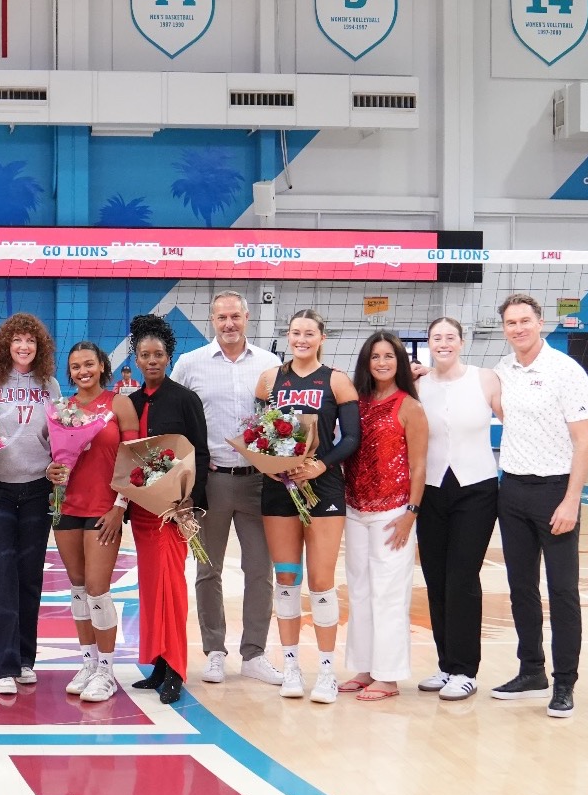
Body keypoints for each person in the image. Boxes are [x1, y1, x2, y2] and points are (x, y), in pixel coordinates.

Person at [171, 291, 282, 685]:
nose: (229, 323)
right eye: (222, 317)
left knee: (260, 570)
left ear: (247, 317)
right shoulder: (190, 364)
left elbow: (282, 418)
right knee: (208, 569)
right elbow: (172, 412)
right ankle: (214, 651)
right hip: (211, 482)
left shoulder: (270, 364)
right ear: (212, 320)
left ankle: (254, 654)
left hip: (259, 481)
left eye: (235, 316)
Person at [491, 294, 588, 718]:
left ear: (540, 322)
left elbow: (584, 442)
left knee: (563, 590)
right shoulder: (502, 370)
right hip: (512, 490)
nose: (518, 328)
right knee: (521, 587)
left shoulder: (566, 371)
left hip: (555, 492)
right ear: (504, 329)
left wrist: (571, 500)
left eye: (525, 321)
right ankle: (531, 670)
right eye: (511, 323)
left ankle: (565, 682)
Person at [257, 309, 360, 703]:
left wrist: (320, 465)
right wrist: (271, 465)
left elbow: (351, 438)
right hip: (279, 490)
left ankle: (327, 672)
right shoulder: (270, 379)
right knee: (286, 579)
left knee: (320, 581)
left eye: (309, 333)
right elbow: (258, 432)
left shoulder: (337, 380)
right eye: (295, 332)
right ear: (288, 335)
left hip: (324, 487)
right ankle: (291, 668)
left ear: (322, 337)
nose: (301, 339)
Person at [123, 313, 210, 705]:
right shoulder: (130, 403)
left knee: (171, 588)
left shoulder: (185, 399)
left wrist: (190, 500)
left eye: (158, 354)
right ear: (136, 360)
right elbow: (125, 457)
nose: (152, 360)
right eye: (145, 355)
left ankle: (175, 668)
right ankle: (158, 663)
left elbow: (200, 453)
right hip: (143, 513)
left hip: (174, 511)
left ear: (169, 356)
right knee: (150, 588)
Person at [415, 317, 501, 701]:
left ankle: (465, 670)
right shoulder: (418, 385)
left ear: (462, 342)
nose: (444, 343)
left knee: (462, 578)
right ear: (429, 344)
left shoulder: (486, 379)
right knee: (436, 579)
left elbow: (516, 421)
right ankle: (446, 664)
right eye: (437, 338)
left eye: (450, 337)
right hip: (431, 489)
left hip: (476, 489)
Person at [339, 331, 428, 701]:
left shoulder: (410, 406)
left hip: (393, 512)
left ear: (400, 361)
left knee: (389, 594)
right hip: (355, 509)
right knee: (359, 591)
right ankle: (365, 667)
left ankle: (388, 677)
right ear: (366, 362)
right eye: (375, 356)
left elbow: (419, 466)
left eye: (389, 356)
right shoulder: (355, 403)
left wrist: (411, 513)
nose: (382, 362)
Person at [49, 341, 139, 703]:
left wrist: (120, 506)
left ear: (102, 365)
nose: (83, 371)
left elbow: (133, 458)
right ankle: (87, 663)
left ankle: (106, 671)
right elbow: (56, 457)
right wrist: (51, 471)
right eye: (75, 367)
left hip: (104, 508)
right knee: (78, 589)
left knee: (98, 589)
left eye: (89, 364)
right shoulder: (63, 408)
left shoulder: (119, 404)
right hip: (67, 506)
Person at [0, 312, 58, 694]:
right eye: (17, 340)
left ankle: (26, 659)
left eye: (30, 340)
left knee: (31, 573)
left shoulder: (49, 385)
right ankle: (5, 666)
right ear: (5, 345)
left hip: (38, 488)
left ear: (39, 347)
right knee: (4, 570)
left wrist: (61, 462)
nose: (24, 346)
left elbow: (59, 435)